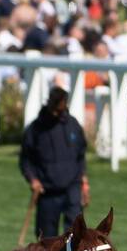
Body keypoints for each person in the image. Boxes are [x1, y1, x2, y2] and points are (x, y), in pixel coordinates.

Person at [19, 86, 89, 240]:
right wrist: (33, 179)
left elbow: (80, 155)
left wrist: (84, 182)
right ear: (49, 103)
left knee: (75, 234)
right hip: (47, 190)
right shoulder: (35, 129)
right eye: (54, 109)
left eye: (60, 109)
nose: (56, 113)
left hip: (72, 187)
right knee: (47, 239)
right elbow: (26, 159)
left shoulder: (73, 125)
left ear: (65, 105)